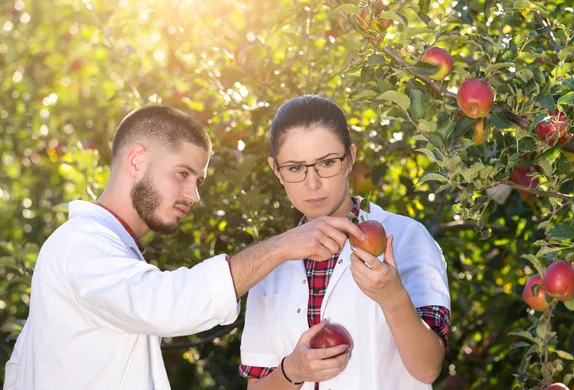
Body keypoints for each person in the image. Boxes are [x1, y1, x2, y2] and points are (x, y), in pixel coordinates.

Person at [3, 105, 366, 390]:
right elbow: (168, 304)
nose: (194, 195)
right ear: (136, 160)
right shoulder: (80, 244)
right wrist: (281, 247)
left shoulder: (109, 252)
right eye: (182, 174)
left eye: (199, 180)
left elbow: (19, 372)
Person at [239, 95, 451, 389]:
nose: (312, 184)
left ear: (350, 158)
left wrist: (393, 299)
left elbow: (428, 369)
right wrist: (293, 369)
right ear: (276, 170)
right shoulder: (271, 265)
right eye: (295, 168)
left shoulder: (405, 238)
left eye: (327, 163)